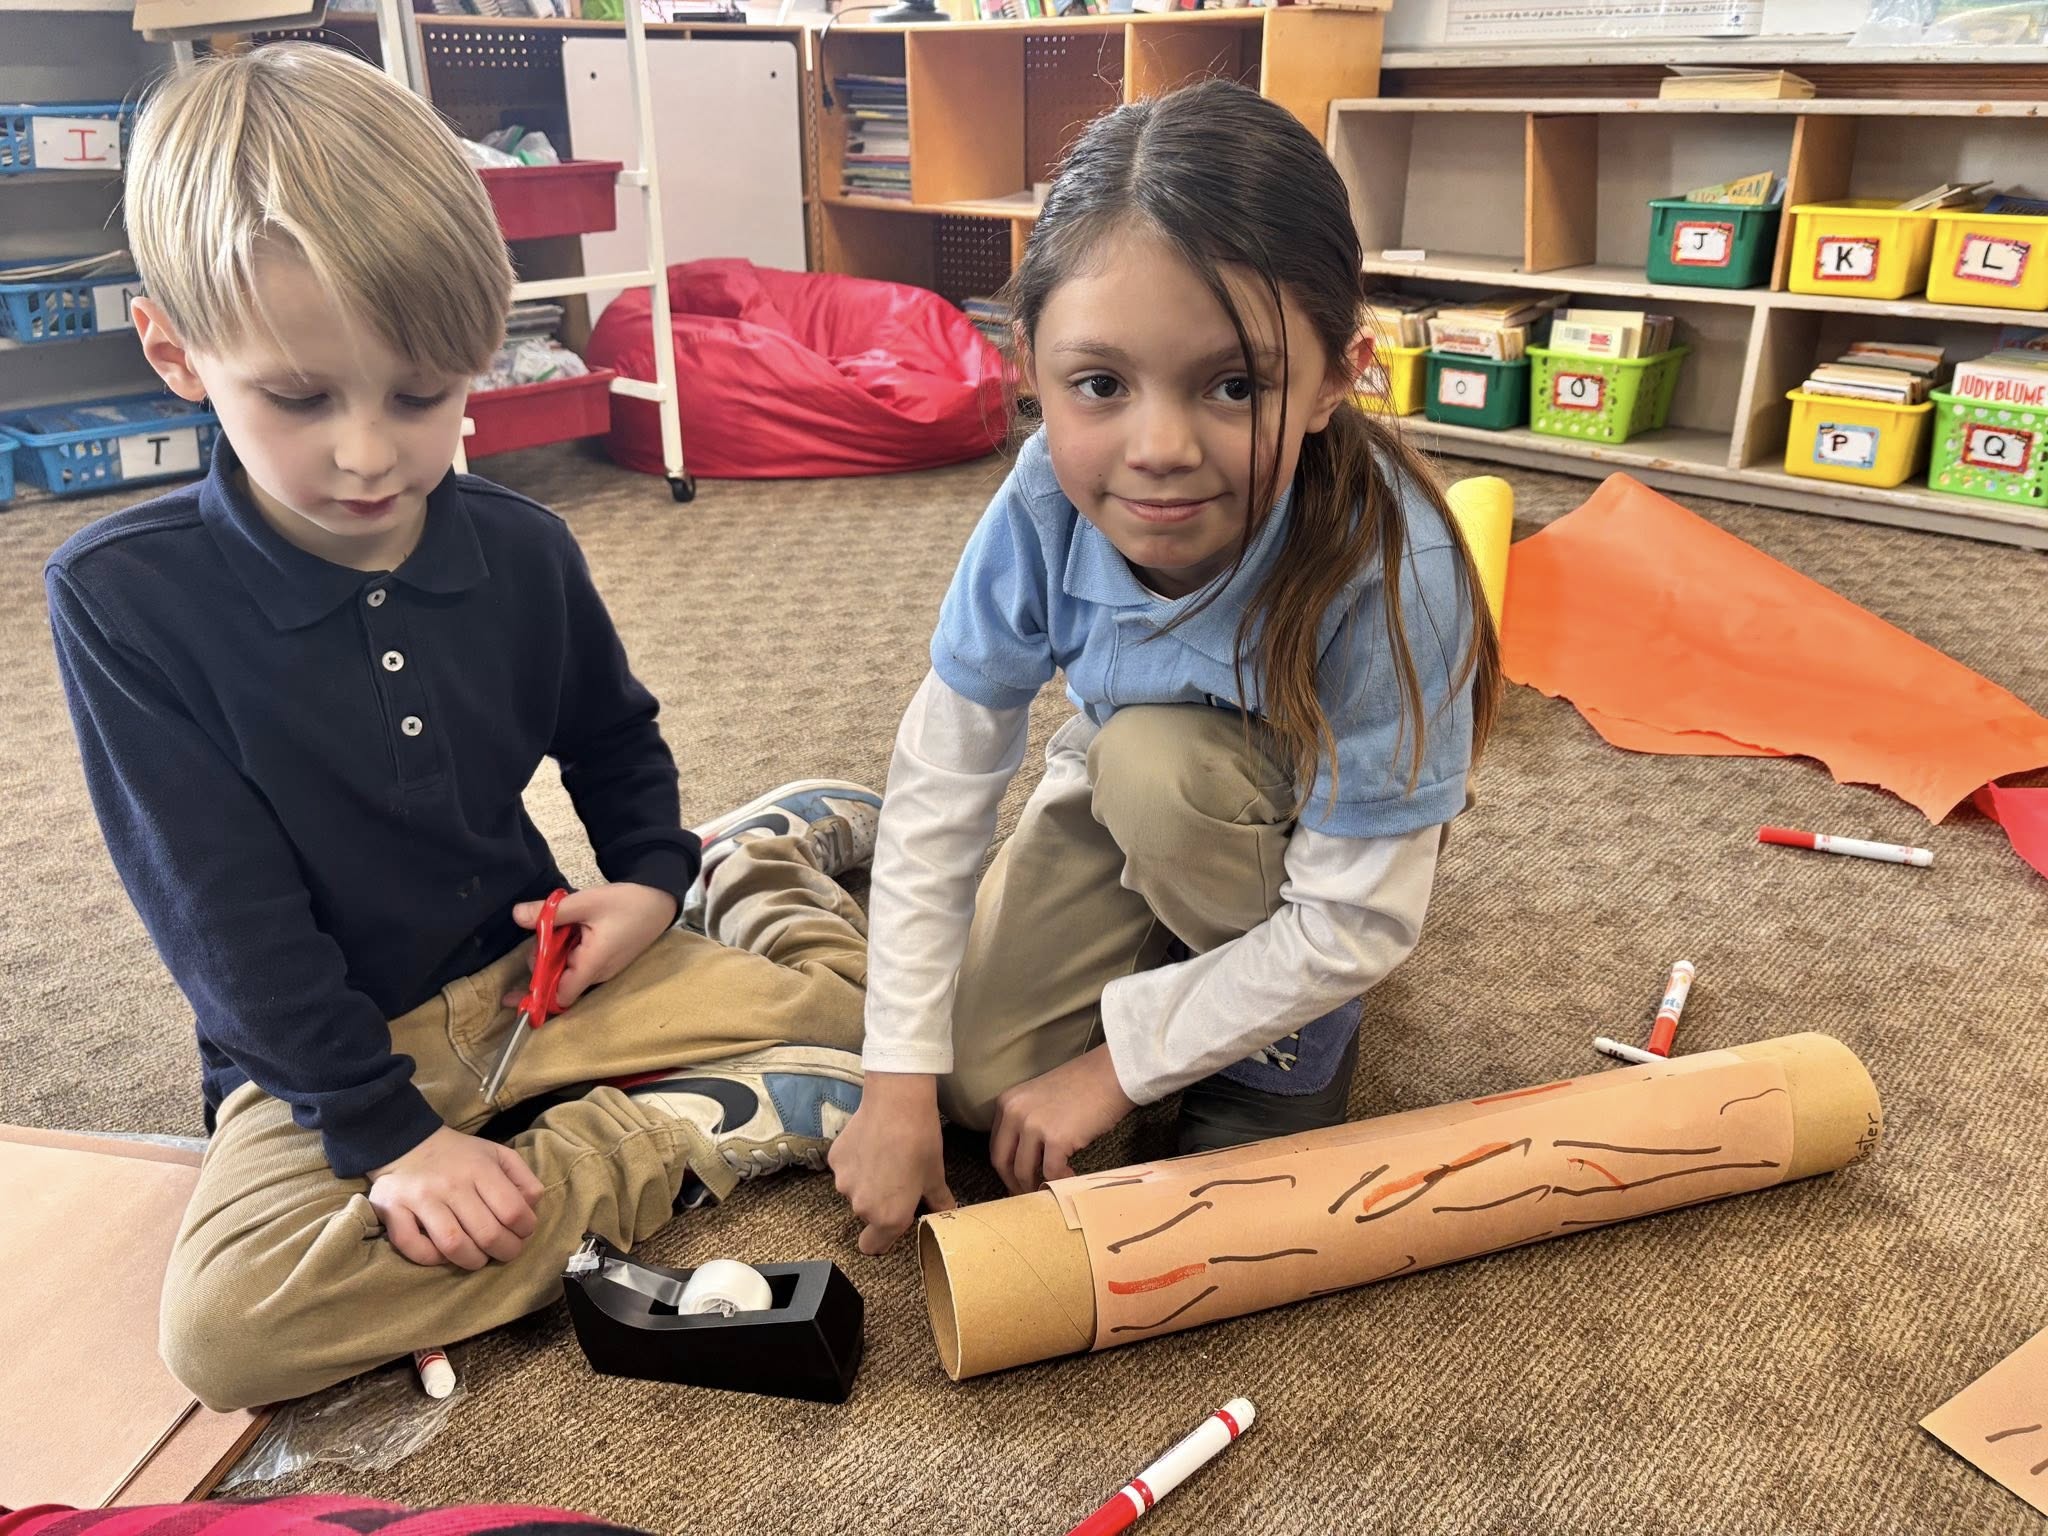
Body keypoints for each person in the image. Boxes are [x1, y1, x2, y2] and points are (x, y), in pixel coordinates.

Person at [44, 44, 881, 1412]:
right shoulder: (124, 602)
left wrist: (653, 884)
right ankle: (676, 1131)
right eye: (303, 399)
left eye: (423, 396)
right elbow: (222, 921)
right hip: (321, 1051)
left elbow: (613, 744)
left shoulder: (526, 547)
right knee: (230, 1334)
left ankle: (742, 864)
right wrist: (389, 1140)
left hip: (535, 977)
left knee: (887, 1033)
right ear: (176, 355)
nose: (371, 456)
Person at [828, 79, 1504, 1256]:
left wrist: (1116, 1069)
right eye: (1099, 385)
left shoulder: (1396, 570)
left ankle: (1297, 1039)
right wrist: (896, 1074)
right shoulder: (1040, 497)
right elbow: (942, 784)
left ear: (1338, 374)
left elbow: (1358, 917)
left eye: (1234, 385)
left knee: (1161, 774)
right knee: (980, 1088)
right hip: (1126, 774)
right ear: (1028, 362)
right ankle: (1185, 949)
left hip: (1303, 832)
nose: (1157, 451)